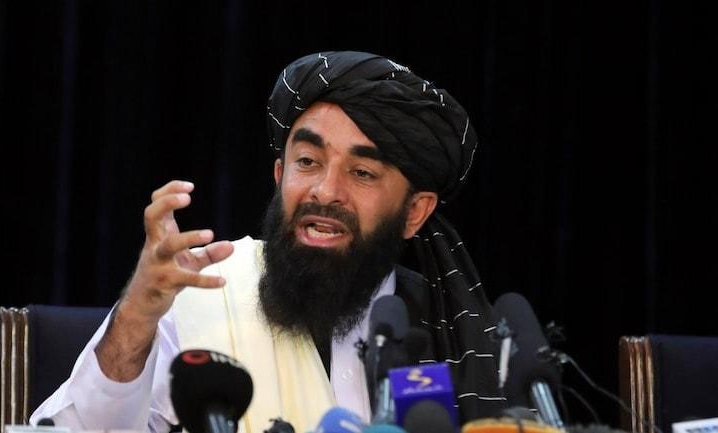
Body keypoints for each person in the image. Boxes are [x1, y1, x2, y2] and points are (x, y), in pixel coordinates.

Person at [31, 51, 506, 432]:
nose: (325, 191)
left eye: (362, 172)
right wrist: (137, 314)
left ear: (415, 211)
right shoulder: (204, 295)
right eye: (308, 162)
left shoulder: (456, 338)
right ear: (280, 175)